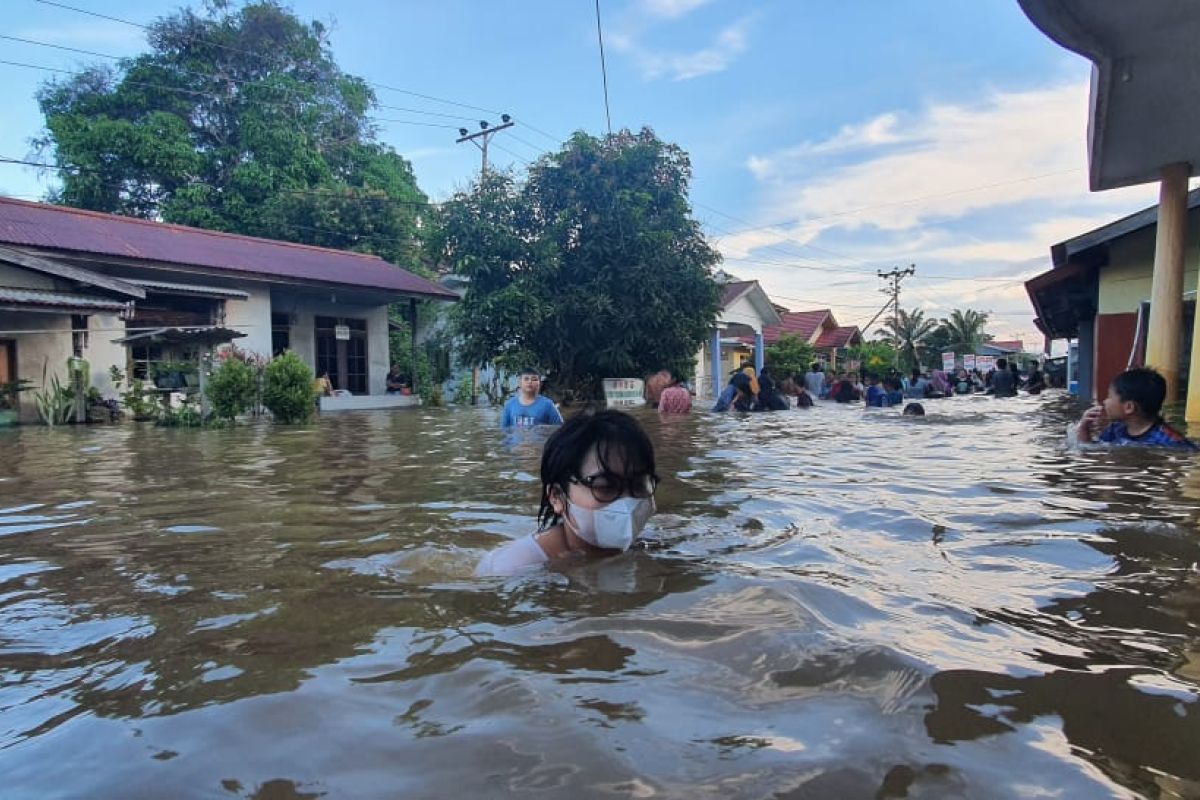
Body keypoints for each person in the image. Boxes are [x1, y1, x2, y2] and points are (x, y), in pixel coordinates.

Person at [475, 409, 659, 576]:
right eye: (605, 487)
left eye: (638, 485)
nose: (626, 502)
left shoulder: (647, 544)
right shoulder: (511, 569)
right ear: (557, 496)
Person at [1073, 367, 1196, 449]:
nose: (1105, 402)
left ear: (1129, 407)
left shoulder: (1170, 442)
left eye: (1109, 396)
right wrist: (1084, 428)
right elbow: (1089, 450)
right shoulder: (1115, 430)